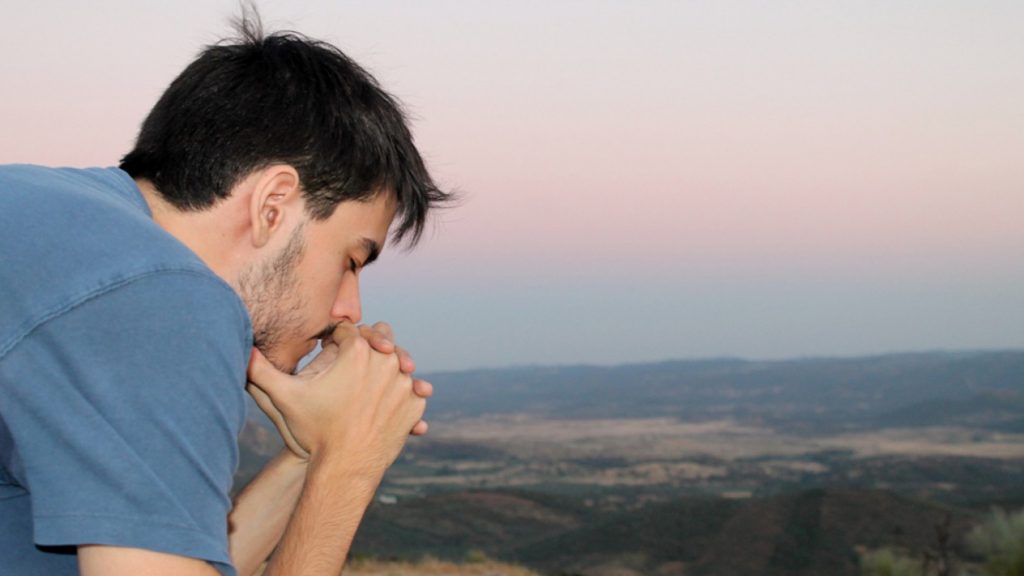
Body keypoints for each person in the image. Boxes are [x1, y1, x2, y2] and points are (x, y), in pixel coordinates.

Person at [0, 12, 451, 576]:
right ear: (272, 205)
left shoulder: (69, 234)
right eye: (350, 261)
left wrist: (309, 455)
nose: (349, 310)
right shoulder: (157, 296)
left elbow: (175, 562)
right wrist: (350, 464)